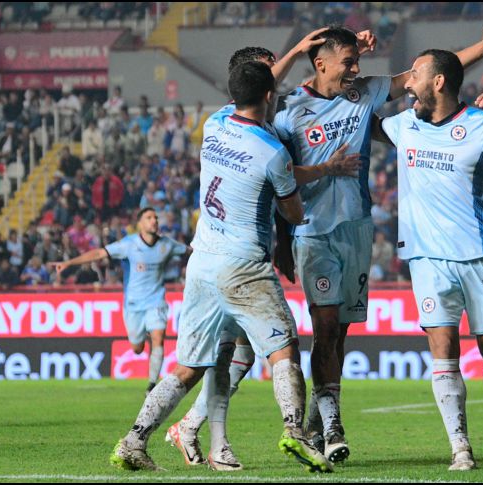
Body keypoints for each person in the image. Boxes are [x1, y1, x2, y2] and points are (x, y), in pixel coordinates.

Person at [272, 19, 483, 463]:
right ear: (320, 62)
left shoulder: (364, 92)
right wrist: (281, 235)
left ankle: (319, 414)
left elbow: (430, 76)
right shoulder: (289, 108)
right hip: (312, 230)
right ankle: (332, 425)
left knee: (339, 332)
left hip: (357, 229)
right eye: (348, 62)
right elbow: (274, 160)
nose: (355, 69)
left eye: (357, 61)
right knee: (325, 327)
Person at [110, 62, 333, 474]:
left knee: (188, 366)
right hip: (242, 264)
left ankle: (133, 440)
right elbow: (293, 211)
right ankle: (294, 430)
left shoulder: (213, 124)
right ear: (270, 96)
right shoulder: (273, 152)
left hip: (202, 263)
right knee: (284, 347)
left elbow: (246, 93)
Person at [164, 39, 361, 467]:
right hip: (236, 260)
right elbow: (285, 181)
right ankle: (202, 431)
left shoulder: (230, 123)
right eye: (268, 72)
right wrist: (323, 174)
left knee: (238, 353)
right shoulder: (258, 134)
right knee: (243, 352)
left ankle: (195, 432)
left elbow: (284, 174)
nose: (277, 79)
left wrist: (285, 239)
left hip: (224, 255)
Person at [375, 49, 483, 470]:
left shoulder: (482, 124)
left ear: (438, 82)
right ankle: (460, 447)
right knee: (443, 348)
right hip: (426, 259)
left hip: (477, 256)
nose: (407, 82)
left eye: (415, 74)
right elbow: (358, 114)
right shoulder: (404, 124)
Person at [54, 208, 189, 395]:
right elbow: (98, 254)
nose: (154, 221)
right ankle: (143, 337)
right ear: (140, 224)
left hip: (156, 301)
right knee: (137, 348)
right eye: (149, 218)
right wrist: (69, 263)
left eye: (155, 218)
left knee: (158, 338)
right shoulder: (129, 244)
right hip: (133, 305)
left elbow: (191, 251)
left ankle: (151, 386)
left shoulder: (167, 244)